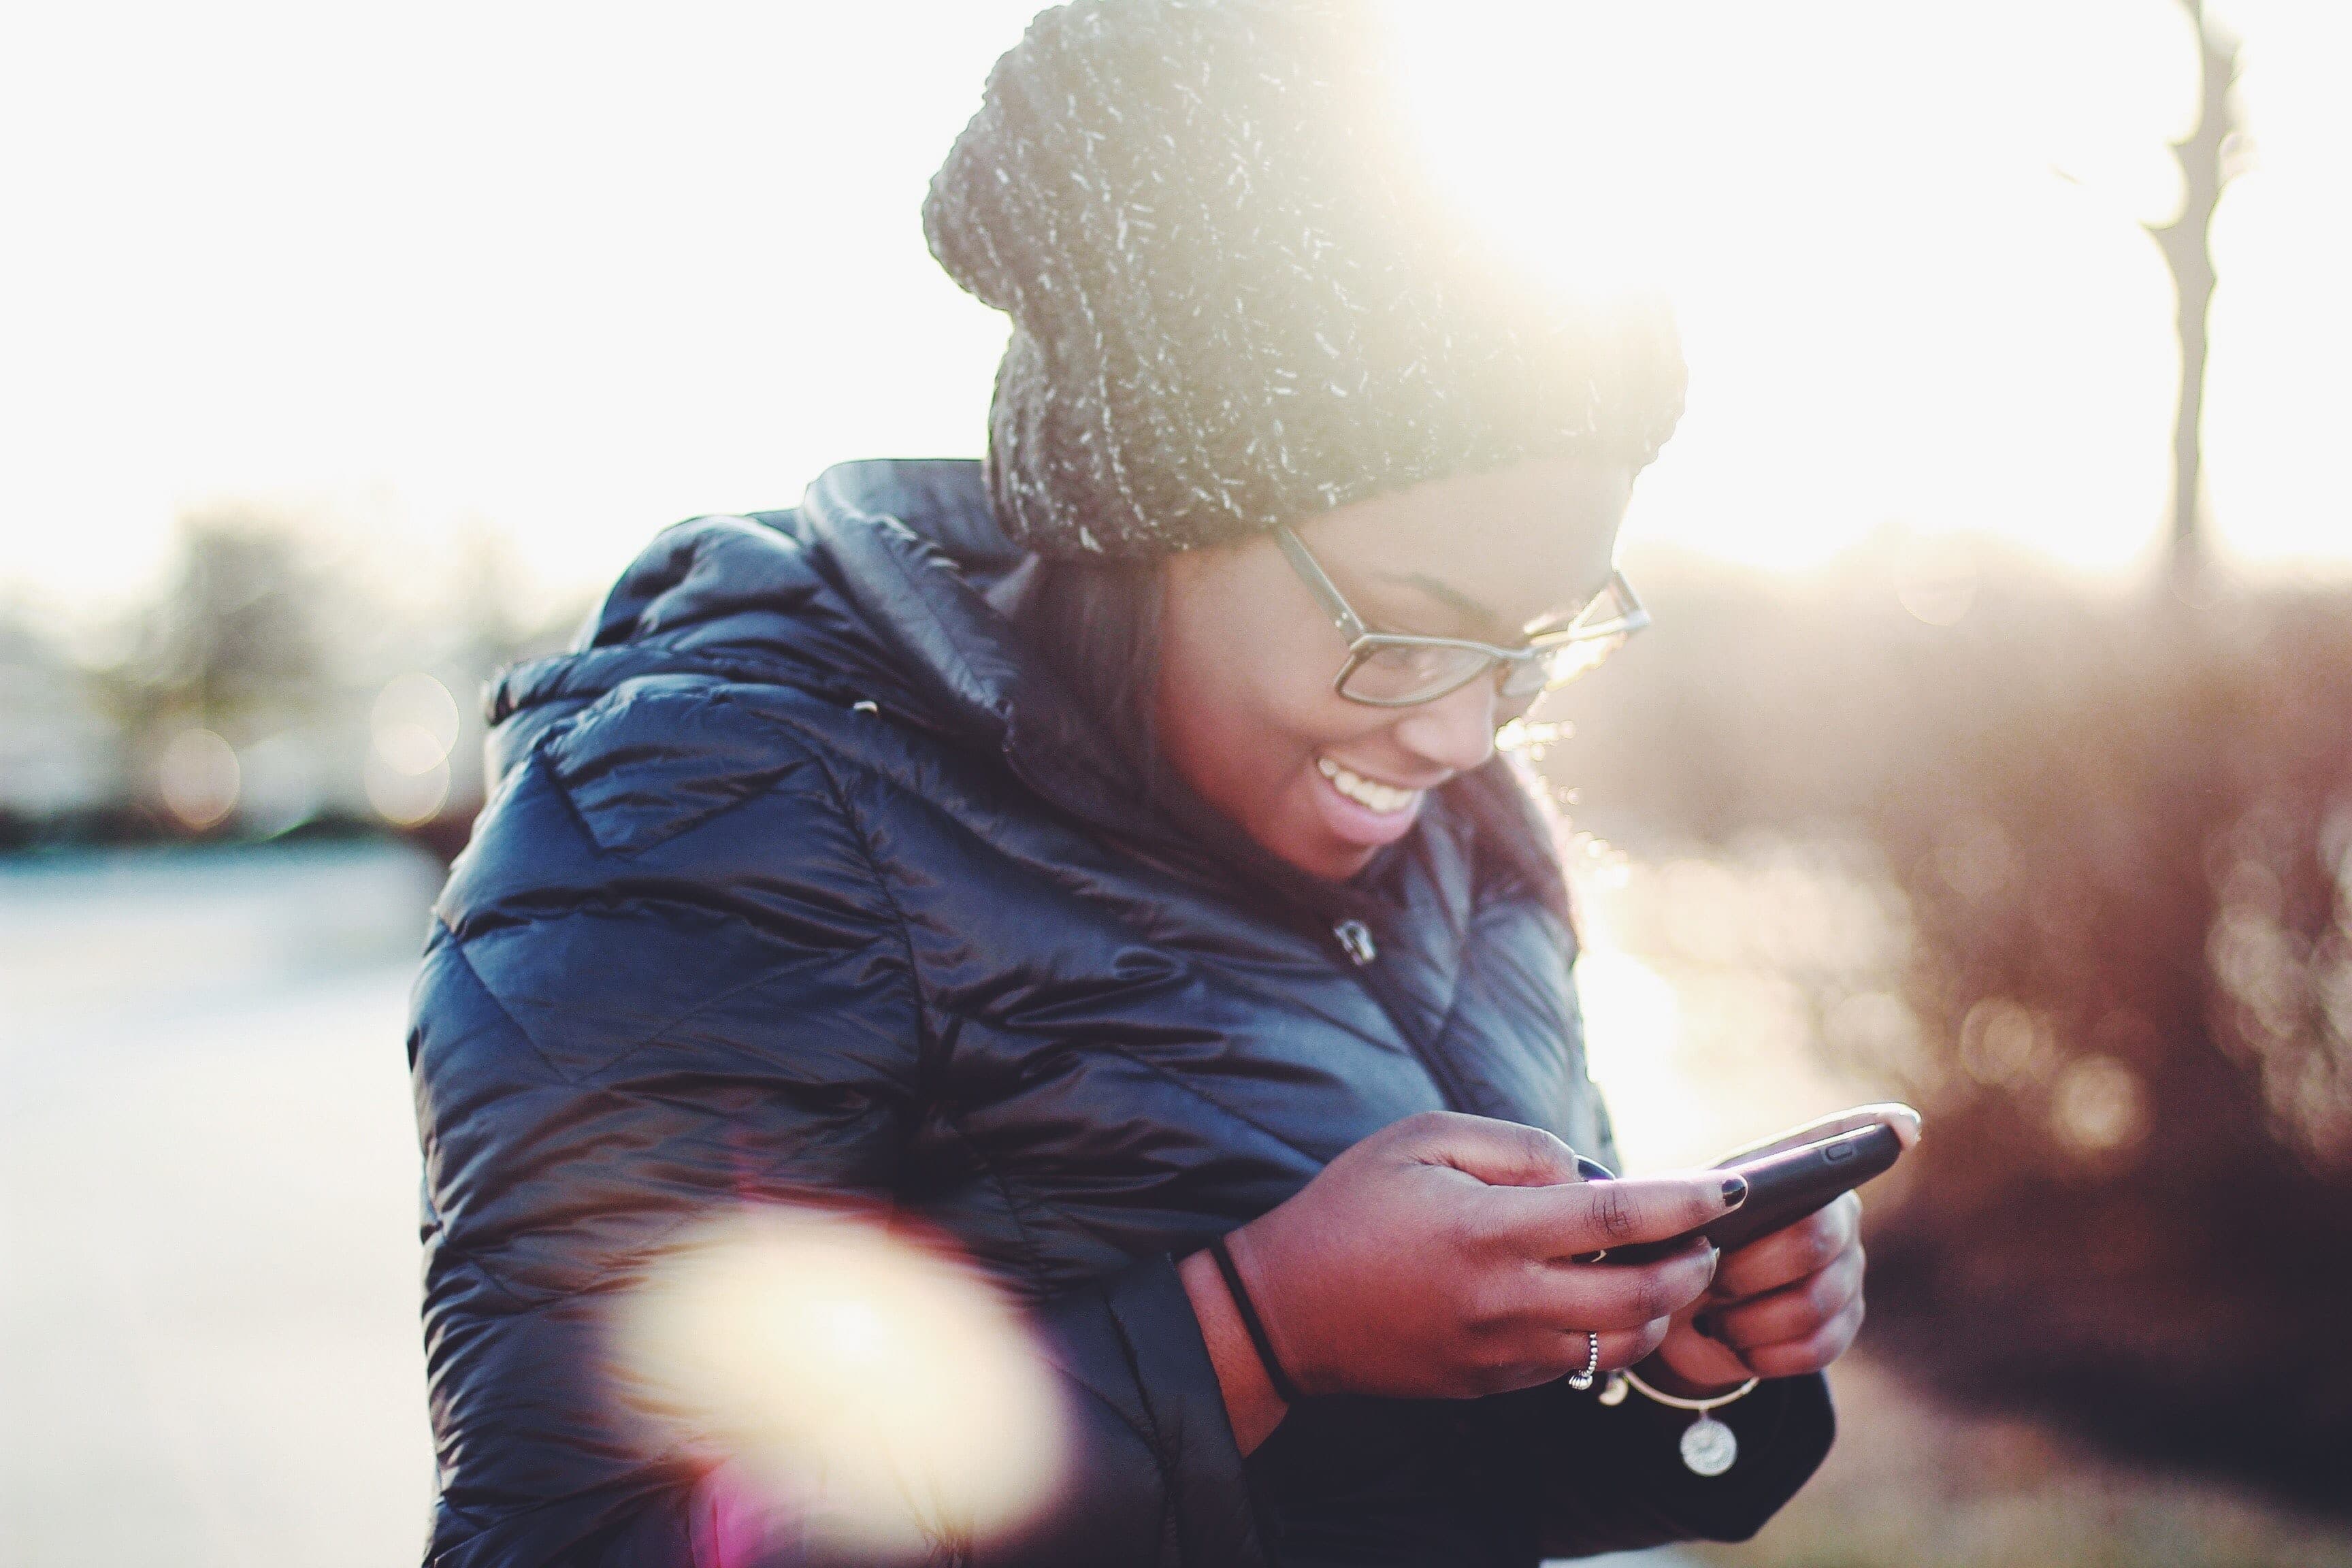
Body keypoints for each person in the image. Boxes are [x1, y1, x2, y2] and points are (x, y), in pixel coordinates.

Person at [408, 3, 1910, 1563]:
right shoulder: (714, 821)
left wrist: (1662, 1345)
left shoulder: (1455, 829)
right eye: (1410, 628)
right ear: (1151, 514)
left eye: (1538, 642)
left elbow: (1413, 1496)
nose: (1469, 735)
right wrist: (1248, 1335)